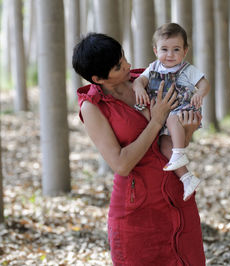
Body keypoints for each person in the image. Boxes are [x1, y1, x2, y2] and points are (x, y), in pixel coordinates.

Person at [72, 33, 205, 265]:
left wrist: (188, 131)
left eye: (123, 57)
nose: (128, 65)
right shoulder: (93, 108)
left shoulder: (149, 79)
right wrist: (155, 121)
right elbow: (121, 164)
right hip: (136, 211)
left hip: (177, 196)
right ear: (97, 78)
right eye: (118, 66)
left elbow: (171, 143)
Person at [133, 23, 210, 201]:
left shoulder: (187, 70)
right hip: (164, 115)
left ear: (185, 51)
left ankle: (180, 153)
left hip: (182, 109)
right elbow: (139, 81)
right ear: (155, 50)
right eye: (164, 49)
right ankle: (187, 178)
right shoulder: (153, 67)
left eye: (176, 49)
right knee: (165, 146)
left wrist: (199, 93)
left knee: (173, 120)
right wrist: (139, 89)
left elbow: (204, 83)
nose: (170, 54)